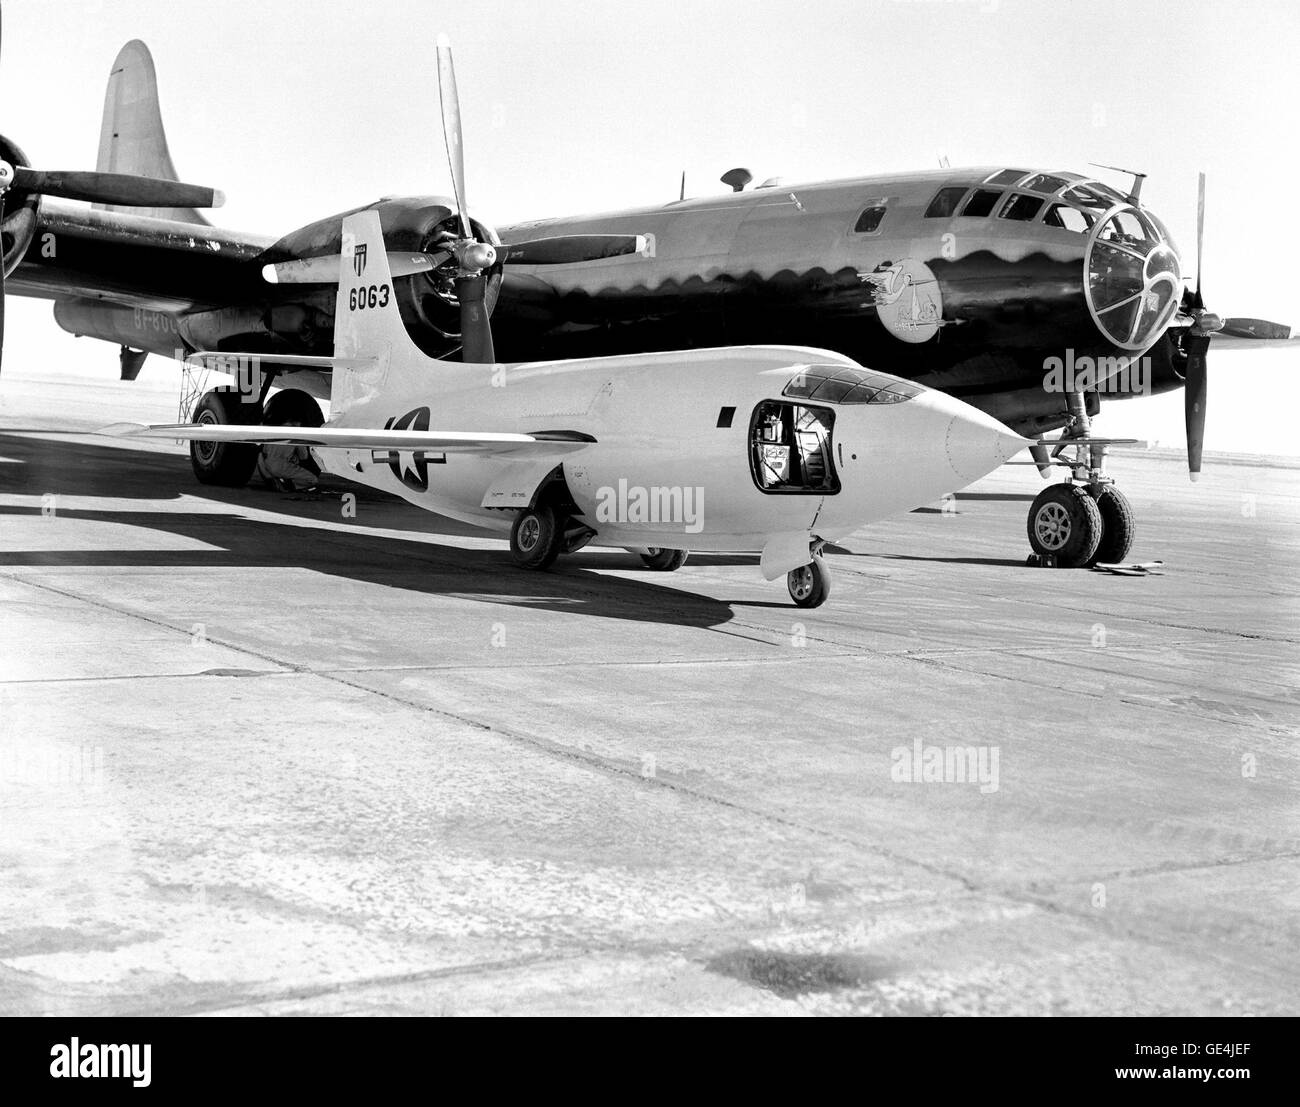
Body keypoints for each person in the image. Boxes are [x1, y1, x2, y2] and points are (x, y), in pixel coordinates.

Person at [254, 420, 320, 492]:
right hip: (282, 466)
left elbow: (263, 452)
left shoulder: (274, 431)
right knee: (313, 480)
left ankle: (277, 481)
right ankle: (285, 485)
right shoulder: (297, 433)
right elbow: (304, 456)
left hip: (267, 465)